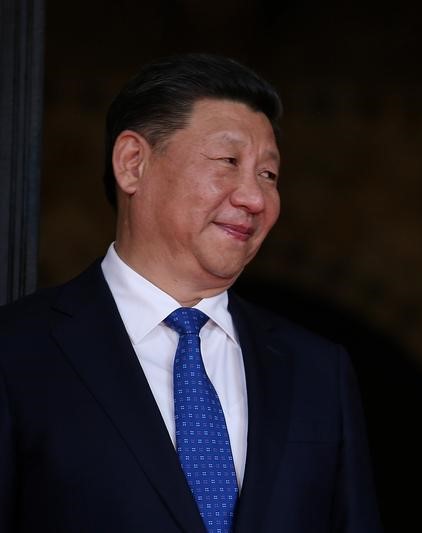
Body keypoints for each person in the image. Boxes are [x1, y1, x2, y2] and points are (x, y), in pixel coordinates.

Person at [0, 53, 382, 533]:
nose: (255, 198)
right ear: (133, 163)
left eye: (268, 174)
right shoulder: (17, 353)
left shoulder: (317, 371)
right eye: (228, 161)